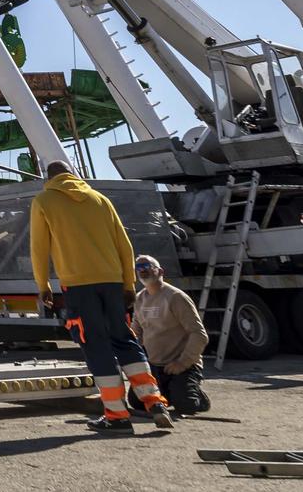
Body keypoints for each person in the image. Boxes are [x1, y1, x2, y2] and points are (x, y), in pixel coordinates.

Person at [29, 159, 174, 433]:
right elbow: (124, 242)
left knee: (95, 345)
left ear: (47, 178)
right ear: (73, 174)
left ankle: (117, 416)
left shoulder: (44, 200)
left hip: (78, 284)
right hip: (111, 281)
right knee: (124, 339)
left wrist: (43, 284)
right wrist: (129, 284)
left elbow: (38, 247)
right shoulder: (99, 199)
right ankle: (155, 401)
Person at [131, 254, 210, 414]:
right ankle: (167, 392)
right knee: (137, 403)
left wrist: (182, 363)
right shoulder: (139, 299)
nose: (142, 271)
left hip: (182, 366)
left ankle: (198, 396)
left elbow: (199, 335)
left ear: (160, 271)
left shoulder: (176, 297)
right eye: (138, 268)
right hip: (155, 366)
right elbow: (136, 333)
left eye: (146, 266)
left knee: (186, 406)